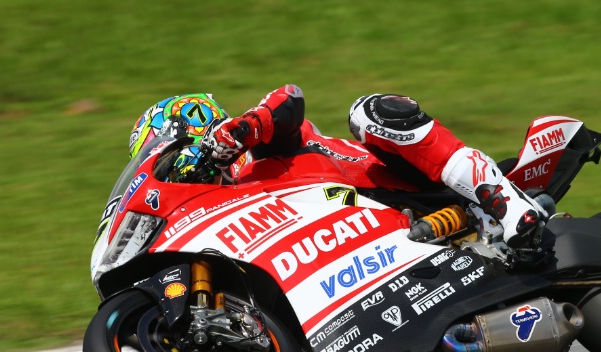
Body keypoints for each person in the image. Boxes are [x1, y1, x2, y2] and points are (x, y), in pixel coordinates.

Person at [130, 85, 554, 249]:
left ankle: (507, 204)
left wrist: (242, 130)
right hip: (364, 247)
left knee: (369, 111)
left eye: (160, 148)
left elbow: (288, 99)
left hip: (401, 188)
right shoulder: (217, 207)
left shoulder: (253, 148)